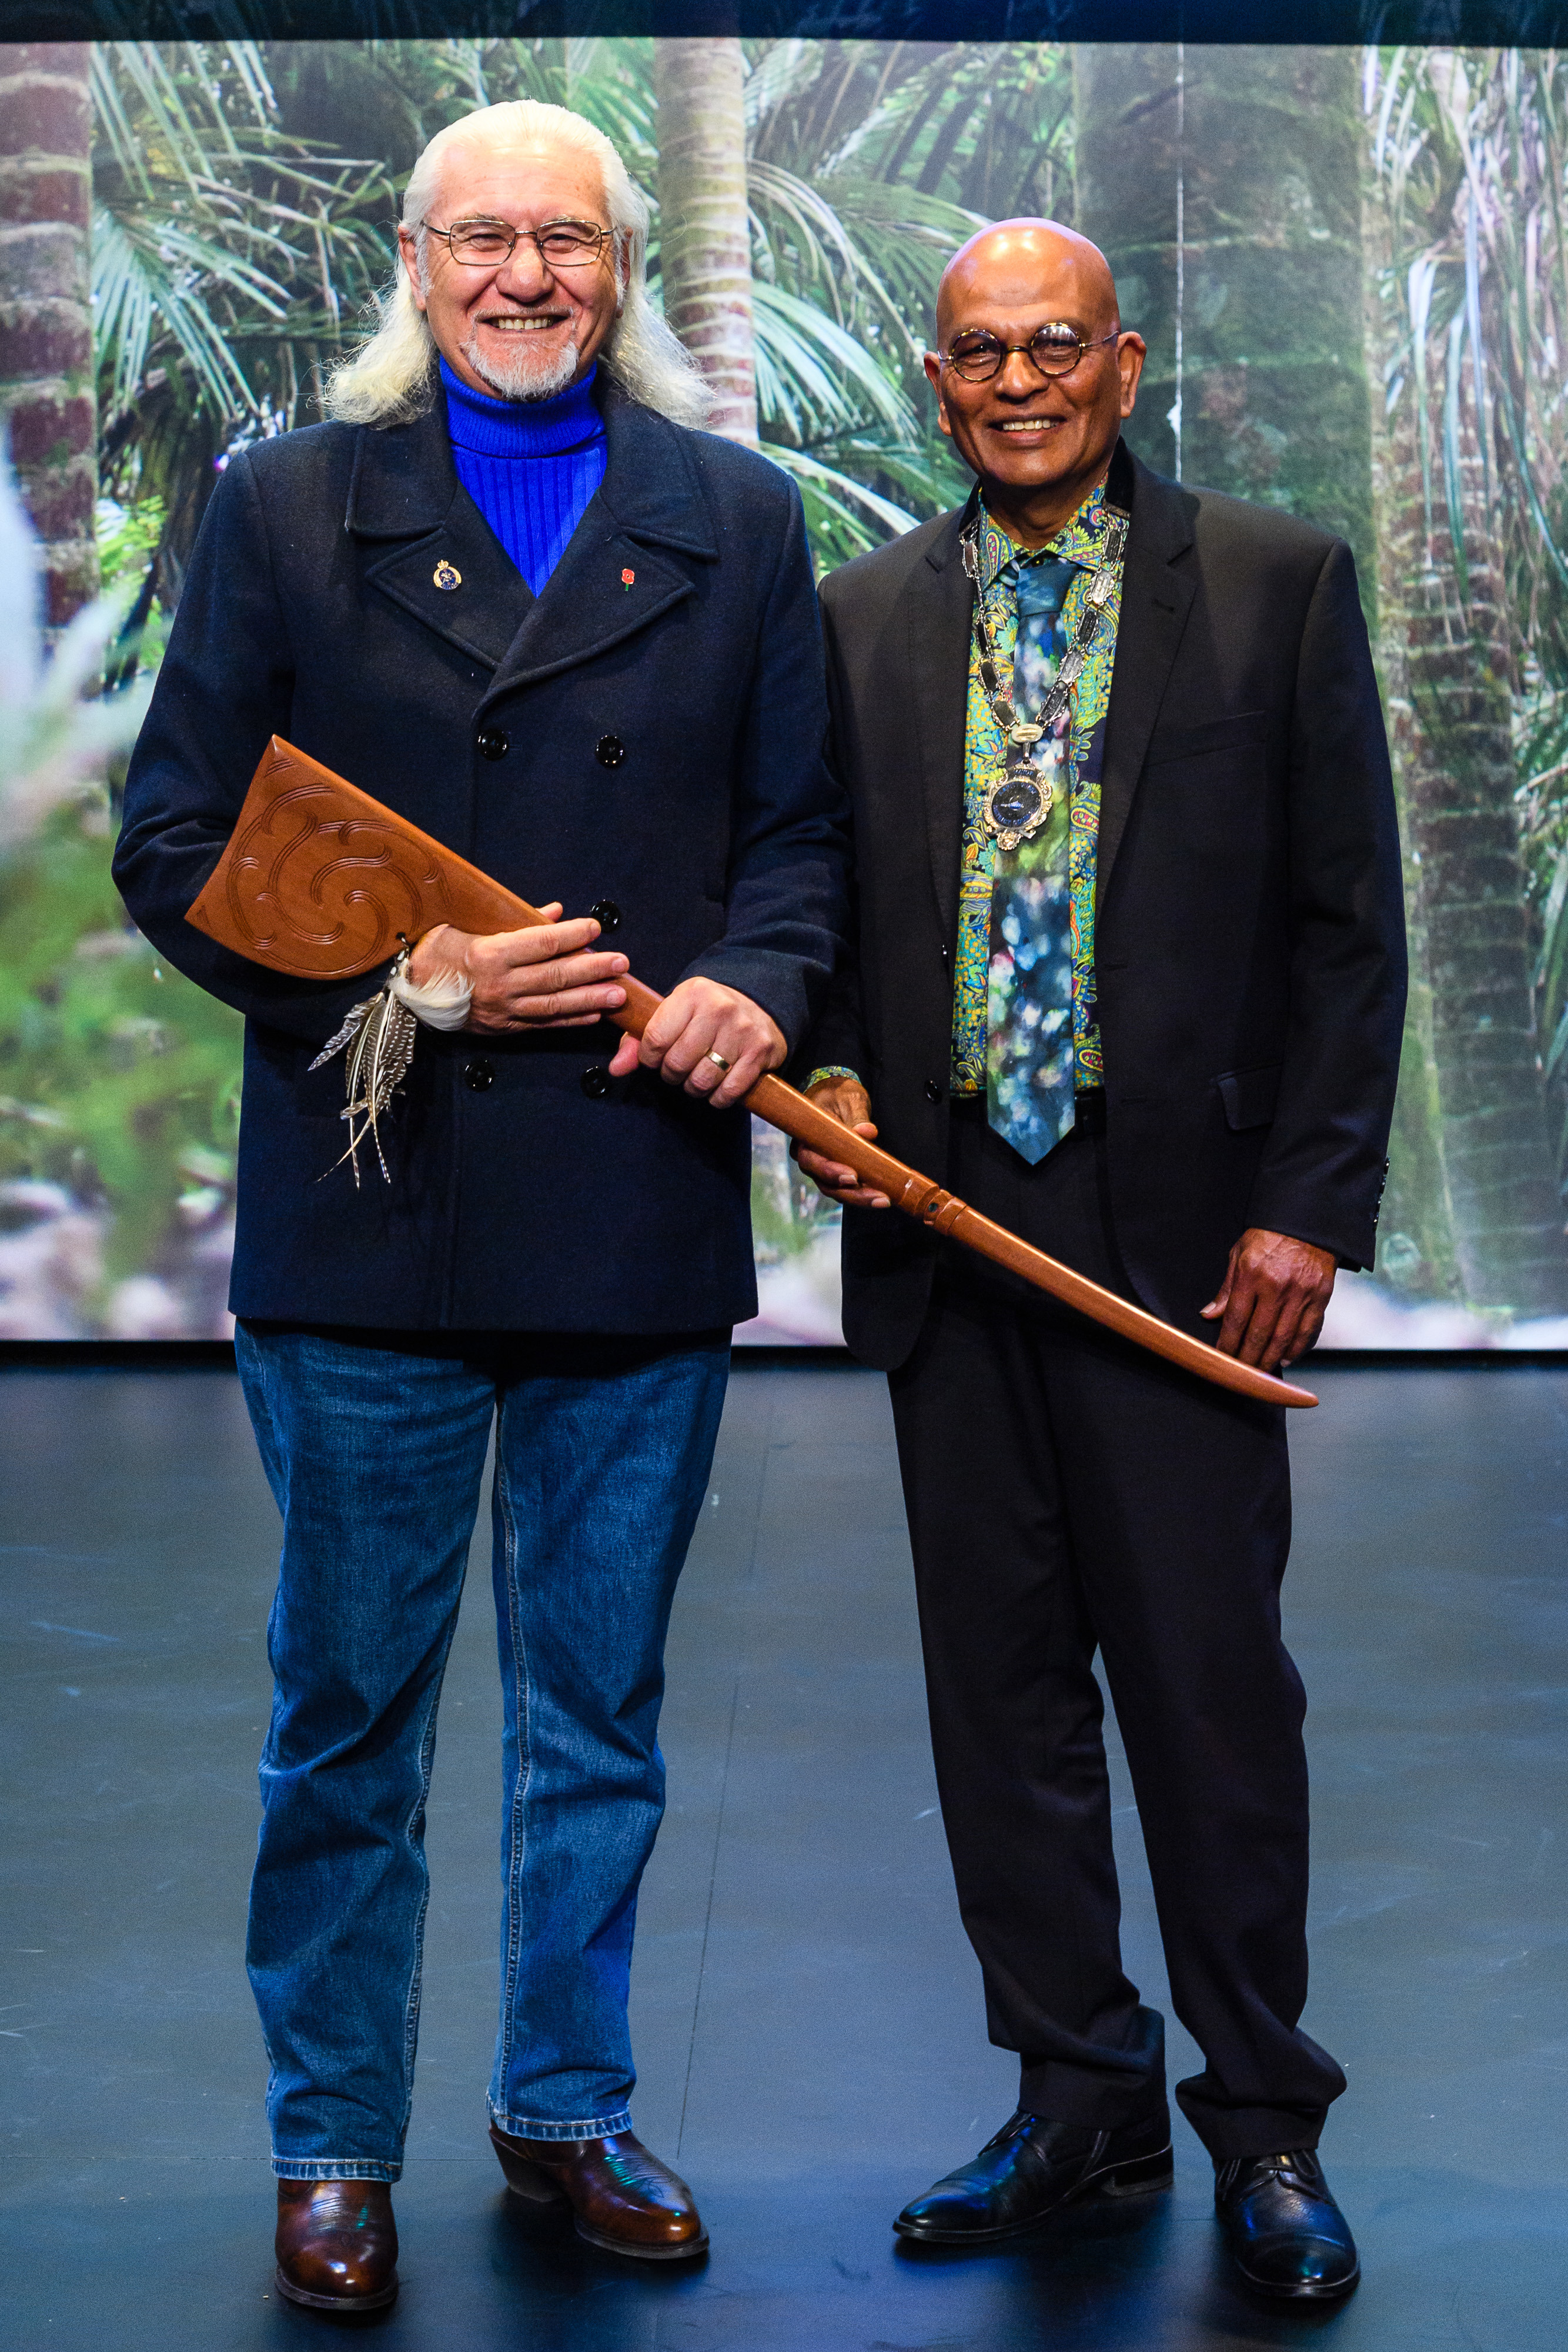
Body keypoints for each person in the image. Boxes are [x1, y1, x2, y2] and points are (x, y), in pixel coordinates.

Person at [113, 100, 847, 2314]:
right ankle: (330, 2142)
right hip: (374, 1210)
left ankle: (566, 2111)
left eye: (569, 242)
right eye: (485, 241)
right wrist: (395, 975)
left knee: (595, 1709)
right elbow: (170, 845)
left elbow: (802, 842)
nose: (526, 277)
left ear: (618, 273)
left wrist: (748, 984)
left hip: (631, 1192)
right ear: (415, 262)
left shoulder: (735, 512)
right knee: (347, 1705)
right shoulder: (285, 508)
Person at [796, 219, 1405, 2303]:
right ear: (934, 380)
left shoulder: (1270, 583)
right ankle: (1076, 2098)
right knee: (1003, 1703)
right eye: (977, 352)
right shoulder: (855, 616)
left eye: (1054, 343)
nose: (1016, 380)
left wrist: (1308, 1204)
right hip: (951, 1231)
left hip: (1185, 1245)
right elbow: (811, 906)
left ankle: (1265, 2125)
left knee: (1210, 1699)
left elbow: (1347, 922)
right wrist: (834, 1078)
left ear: (1123, 363)